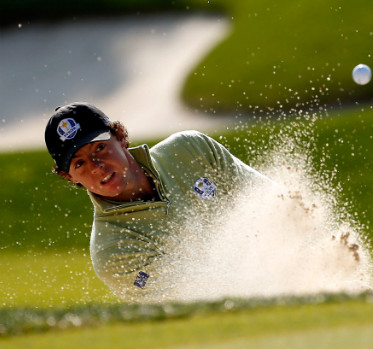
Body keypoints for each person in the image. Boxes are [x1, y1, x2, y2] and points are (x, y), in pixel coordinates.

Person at [45, 102, 268, 302]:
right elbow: (203, 292)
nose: (96, 166)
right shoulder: (112, 251)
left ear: (120, 136)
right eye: (80, 163)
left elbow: (272, 201)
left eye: (100, 148)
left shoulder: (190, 148)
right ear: (70, 177)